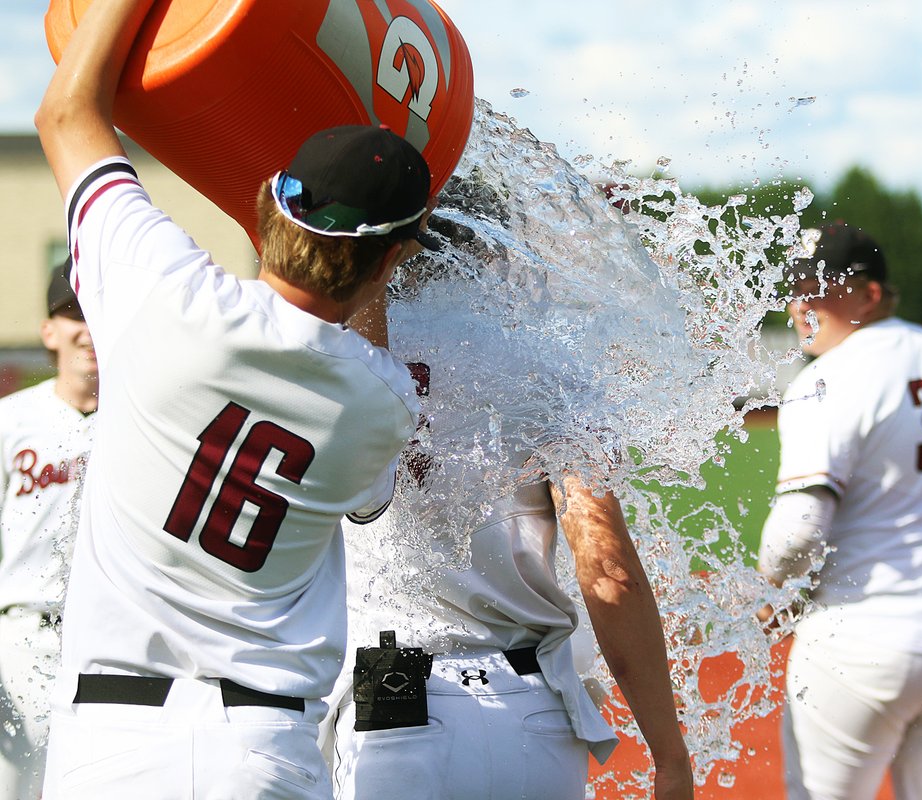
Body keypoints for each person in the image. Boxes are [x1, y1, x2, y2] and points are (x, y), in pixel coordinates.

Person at [34, 0, 439, 796]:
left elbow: (65, 111)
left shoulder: (166, 294)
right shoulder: (383, 399)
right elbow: (369, 498)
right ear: (388, 262)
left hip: (107, 743)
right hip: (263, 750)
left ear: (266, 205)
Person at [324, 206, 694, 799]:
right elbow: (611, 573)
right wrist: (669, 756)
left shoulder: (339, 358)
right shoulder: (546, 371)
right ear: (489, 253)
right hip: (535, 711)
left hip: (390, 698)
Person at [756, 222, 922, 800]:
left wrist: (767, 591)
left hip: (855, 647)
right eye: (796, 287)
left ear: (871, 294)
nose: (803, 302)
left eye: (821, 286)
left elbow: (798, 533)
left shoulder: (823, 380)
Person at [0, 264, 97, 800]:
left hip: (107, 642)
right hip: (22, 635)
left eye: (94, 315)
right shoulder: (11, 420)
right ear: (49, 331)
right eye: (71, 315)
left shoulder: (141, 424)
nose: (85, 329)